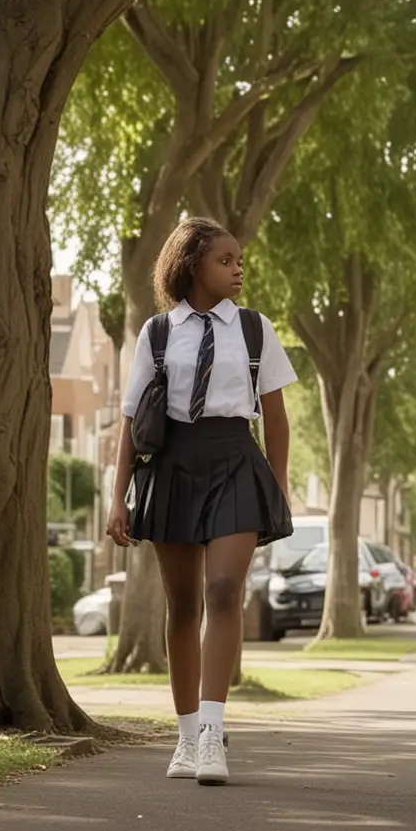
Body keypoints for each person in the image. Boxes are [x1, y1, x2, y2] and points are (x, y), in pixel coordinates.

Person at [107, 216, 296, 786]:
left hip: (237, 458)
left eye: (240, 261)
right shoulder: (158, 333)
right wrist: (117, 496)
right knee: (183, 603)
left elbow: (278, 416)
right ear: (192, 266)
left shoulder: (256, 330)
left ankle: (214, 733)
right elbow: (132, 419)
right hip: (172, 466)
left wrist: (281, 486)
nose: (239, 269)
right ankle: (186, 736)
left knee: (223, 588)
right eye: (226, 260)